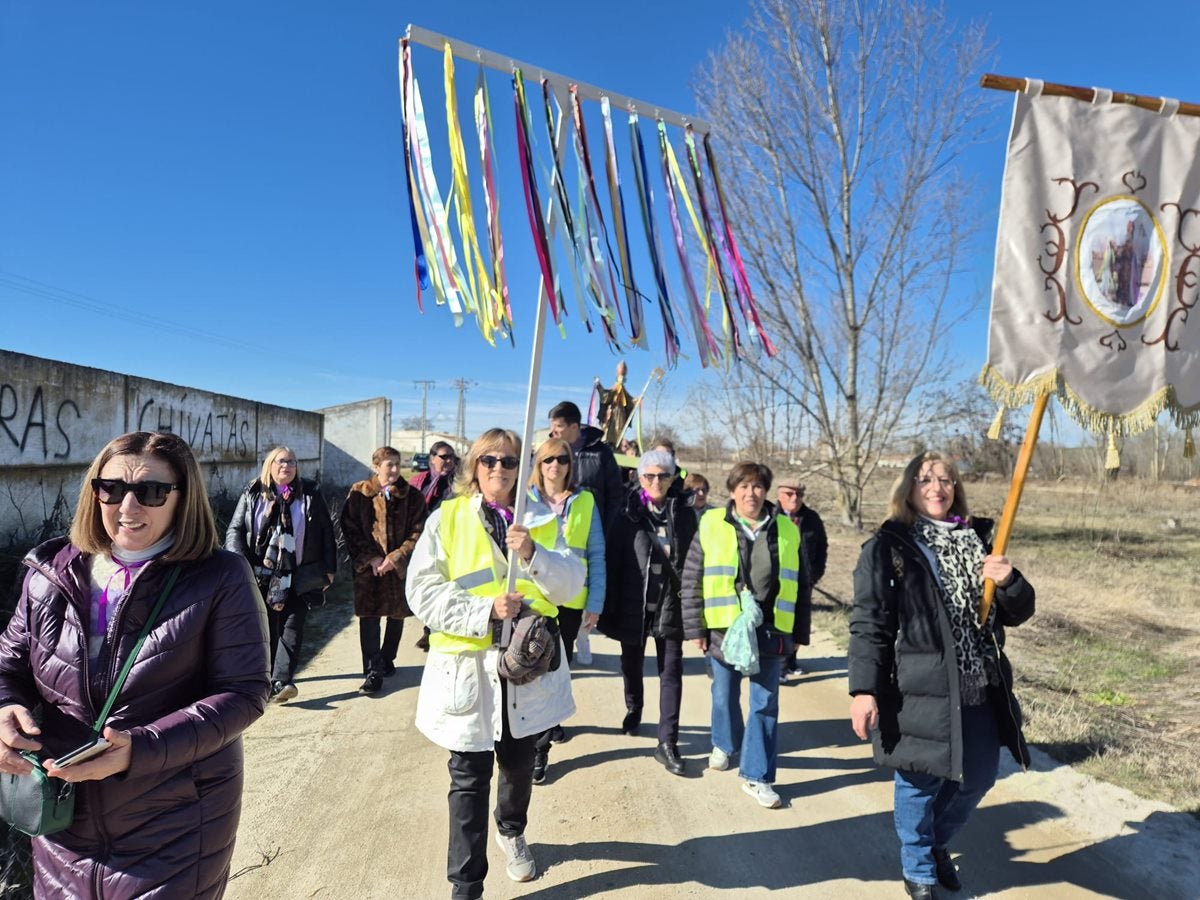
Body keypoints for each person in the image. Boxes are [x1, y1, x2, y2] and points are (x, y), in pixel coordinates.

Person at [0, 431, 269, 897]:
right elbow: (8, 666)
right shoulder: (49, 570)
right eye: (111, 488)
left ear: (181, 500)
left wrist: (140, 749)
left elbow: (244, 692)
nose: (128, 507)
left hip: (176, 819)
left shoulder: (220, 576)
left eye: (150, 491)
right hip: (63, 821)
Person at [849, 451, 1035, 899]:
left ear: (956, 488)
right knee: (920, 781)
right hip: (917, 686)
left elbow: (1018, 612)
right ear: (908, 488)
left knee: (979, 776)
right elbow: (870, 622)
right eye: (925, 479)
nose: (937, 487)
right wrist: (863, 690)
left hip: (980, 685)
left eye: (946, 479)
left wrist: (1009, 581)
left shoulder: (981, 540)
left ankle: (935, 844)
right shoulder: (889, 546)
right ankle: (917, 866)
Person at [406, 428, 582, 897]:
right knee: (468, 778)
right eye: (489, 461)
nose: (499, 469)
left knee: (519, 764)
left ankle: (512, 829)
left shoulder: (544, 518)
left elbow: (570, 586)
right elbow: (420, 590)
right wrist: (482, 611)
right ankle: (466, 886)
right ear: (474, 466)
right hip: (469, 669)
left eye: (508, 461)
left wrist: (533, 553)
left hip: (526, 670)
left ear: (522, 468)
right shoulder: (446, 518)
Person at [682, 461, 808, 810]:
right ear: (732, 490)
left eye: (757, 487)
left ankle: (758, 776)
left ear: (765, 491)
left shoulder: (786, 529)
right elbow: (691, 578)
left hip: (771, 631)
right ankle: (724, 742)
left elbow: (803, 584)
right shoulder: (711, 524)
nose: (750, 493)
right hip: (724, 630)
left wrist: (800, 632)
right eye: (743, 486)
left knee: (765, 705)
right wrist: (695, 628)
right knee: (723, 696)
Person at [600, 449, 697, 777]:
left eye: (664, 476)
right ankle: (634, 707)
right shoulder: (626, 512)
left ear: (673, 478)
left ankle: (667, 743)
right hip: (633, 603)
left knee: (671, 672)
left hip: (670, 605)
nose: (657, 482)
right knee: (632, 663)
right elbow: (612, 561)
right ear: (640, 478)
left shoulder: (684, 513)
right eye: (650, 476)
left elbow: (695, 562)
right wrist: (605, 608)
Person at [226, 445, 337, 702]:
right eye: (280, 461)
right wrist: (239, 564)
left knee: (293, 624)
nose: (286, 466)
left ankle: (282, 680)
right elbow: (235, 530)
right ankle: (267, 678)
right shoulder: (253, 491)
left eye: (291, 461)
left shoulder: (309, 492)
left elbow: (325, 532)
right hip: (259, 573)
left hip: (298, 573)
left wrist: (329, 569)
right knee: (265, 627)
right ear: (269, 465)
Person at [526, 437, 606, 782]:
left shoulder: (585, 501)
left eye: (561, 459)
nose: (554, 466)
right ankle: (527, 743)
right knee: (528, 673)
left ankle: (540, 751)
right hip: (531, 599)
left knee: (555, 671)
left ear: (570, 465)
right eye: (547, 460)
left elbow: (598, 554)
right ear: (538, 464)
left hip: (570, 601)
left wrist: (596, 601)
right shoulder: (523, 500)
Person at [341, 446, 427, 694]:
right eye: (389, 464)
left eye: (398, 464)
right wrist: (372, 558)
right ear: (376, 466)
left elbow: (418, 531)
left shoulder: (412, 496)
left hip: (398, 570)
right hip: (369, 569)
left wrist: (396, 557)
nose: (395, 470)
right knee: (369, 617)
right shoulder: (360, 492)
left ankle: (387, 658)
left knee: (396, 615)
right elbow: (350, 528)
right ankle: (372, 670)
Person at [776, 479, 827, 680]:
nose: (794, 498)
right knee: (780, 622)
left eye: (799, 494)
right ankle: (779, 667)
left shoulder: (811, 518)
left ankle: (791, 661)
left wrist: (814, 574)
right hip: (778, 582)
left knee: (799, 623)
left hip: (803, 580)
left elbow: (822, 549)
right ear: (779, 494)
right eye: (789, 494)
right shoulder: (771, 515)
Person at [411, 441, 459, 651]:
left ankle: (434, 630)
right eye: (444, 456)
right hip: (422, 540)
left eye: (451, 457)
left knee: (447, 586)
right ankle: (430, 626)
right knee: (428, 584)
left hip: (452, 541)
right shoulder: (419, 482)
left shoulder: (460, 482)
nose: (448, 461)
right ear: (432, 458)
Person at [548, 400, 624, 531]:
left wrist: (605, 529)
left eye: (558, 426)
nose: (552, 431)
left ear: (574, 427)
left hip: (591, 528)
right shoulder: (548, 452)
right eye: (551, 425)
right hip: (555, 527)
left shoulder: (601, 453)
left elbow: (615, 495)